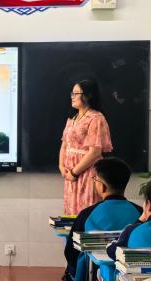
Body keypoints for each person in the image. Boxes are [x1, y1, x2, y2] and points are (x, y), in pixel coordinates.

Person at [64, 157, 141, 281]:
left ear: (102, 186)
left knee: (71, 269)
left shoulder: (87, 214)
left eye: (95, 179)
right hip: (132, 280)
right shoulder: (139, 213)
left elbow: (71, 252)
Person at [58, 78, 113, 215]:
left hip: (86, 173)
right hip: (70, 174)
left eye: (76, 93)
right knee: (71, 214)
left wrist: (74, 172)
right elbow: (65, 144)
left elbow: (95, 152)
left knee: (85, 211)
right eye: (72, 93)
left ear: (88, 96)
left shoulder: (96, 118)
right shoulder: (72, 118)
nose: (72, 96)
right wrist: (61, 166)